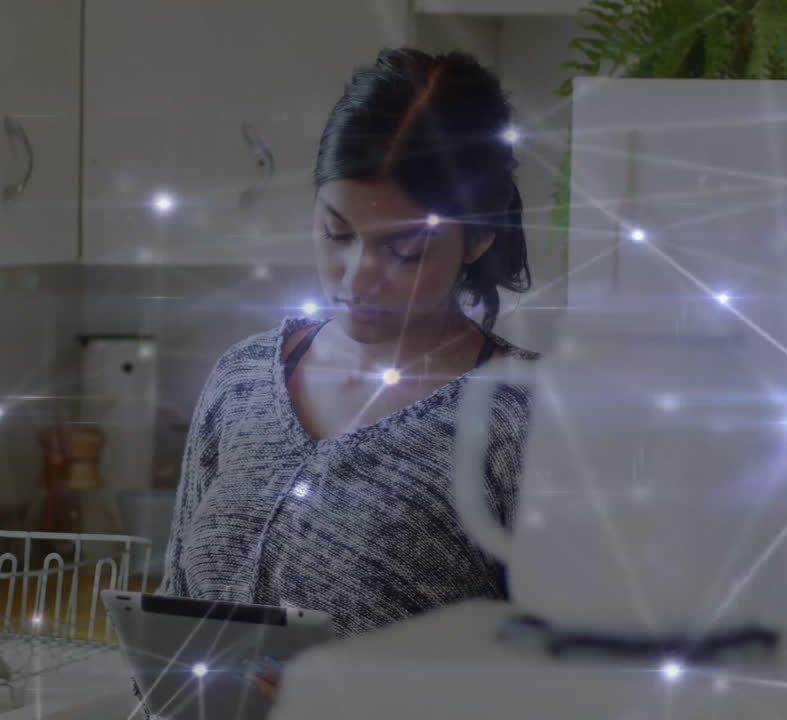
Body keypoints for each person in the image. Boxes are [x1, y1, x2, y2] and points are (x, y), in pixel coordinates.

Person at [160, 47, 537, 704]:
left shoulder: (526, 417)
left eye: (405, 249)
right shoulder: (241, 380)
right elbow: (176, 611)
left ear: (477, 239)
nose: (359, 275)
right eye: (336, 233)